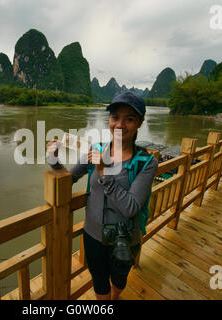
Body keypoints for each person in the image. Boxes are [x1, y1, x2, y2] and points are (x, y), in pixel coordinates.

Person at [46, 91, 158, 300]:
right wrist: (53, 159)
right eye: (115, 117)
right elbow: (68, 179)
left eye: (129, 119)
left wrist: (103, 172)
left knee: (119, 281)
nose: (120, 125)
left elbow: (131, 207)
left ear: (140, 123)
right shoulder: (95, 150)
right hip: (93, 236)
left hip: (125, 239)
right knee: (99, 282)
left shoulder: (146, 162)